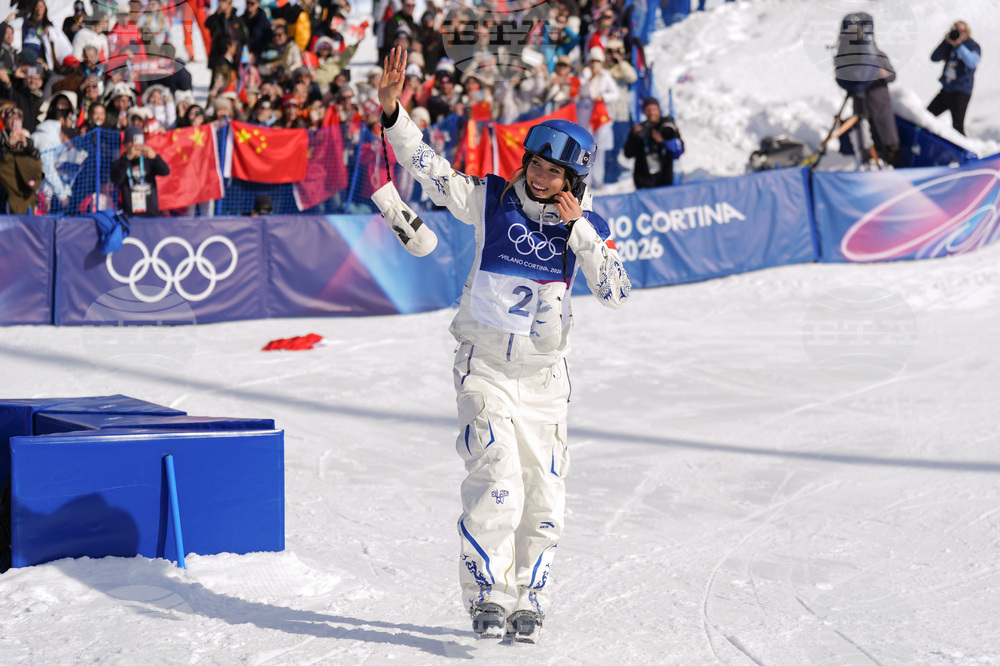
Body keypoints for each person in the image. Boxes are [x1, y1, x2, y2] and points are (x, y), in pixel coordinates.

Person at [377, 46, 631, 644]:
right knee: (497, 478)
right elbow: (428, 166)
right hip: (485, 365)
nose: (542, 177)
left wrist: (584, 236)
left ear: (575, 181)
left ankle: (528, 598)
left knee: (544, 495)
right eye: (537, 165)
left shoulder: (585, 226)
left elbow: (617, 293)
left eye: (555, 173)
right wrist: (393, 110)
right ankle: (487, 591)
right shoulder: (490, 199)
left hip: (545, 379)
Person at [833, 12, 899, 167]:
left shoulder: (877, 55)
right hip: (863, 103)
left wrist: (882, 73)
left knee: (886, 137)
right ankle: (870, 160)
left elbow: (893, 76)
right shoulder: (848, 56)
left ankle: (890, 162)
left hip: (878, 102)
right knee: (866, 135)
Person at [927, 21, 980, 136]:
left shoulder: (972, 46)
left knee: (957, 127)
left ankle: (963, 151)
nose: (957, 34)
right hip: (947, 90)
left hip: (961, 92)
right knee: (927, 116)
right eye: (955, 30)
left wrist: (959, 46)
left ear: (967, 32)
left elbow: (973, 63)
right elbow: (934, 57)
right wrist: (945, 42)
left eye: (961, 31)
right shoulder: (948, 45)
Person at [623, 96, 683, 189]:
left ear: (659, 110)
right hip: (644, 181)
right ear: (644, 111)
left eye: (654, 109)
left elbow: (678, 151)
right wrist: (634, 137)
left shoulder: (667, 127)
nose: (651, 113)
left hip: (665, 180)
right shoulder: (640, 129)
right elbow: (628, 154)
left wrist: (664, 141)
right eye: (648, 110)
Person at [109, 124, 169, 216]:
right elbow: (116, 181)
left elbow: (165, 171)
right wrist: (127, 160)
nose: (135, 146)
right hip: (130, 215)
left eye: (137, 142)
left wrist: (155, 157)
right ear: (125, 145)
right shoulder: (119, 163)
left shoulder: (148, 160)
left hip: (150, 214)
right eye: (131, 142)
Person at [0, 105, 44, 214]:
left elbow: (37, 157)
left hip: (23, 185)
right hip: (4, 185)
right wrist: (8, 145)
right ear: (5, 120)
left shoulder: (27, 140)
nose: (14, 121)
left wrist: (26, 146)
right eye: (11, 118)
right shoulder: (1, 137)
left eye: (18, 119)